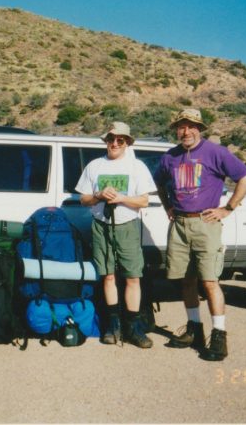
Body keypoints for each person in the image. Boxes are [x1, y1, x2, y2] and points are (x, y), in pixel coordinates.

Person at [155, 108, 246, 361]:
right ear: (176, 130)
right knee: (186, 281)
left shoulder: (215, 152)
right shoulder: (170, 156)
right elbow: (159, 182)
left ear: (200, 129)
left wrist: (227, 208)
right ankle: (194, 330)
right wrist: (167, 205)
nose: (186, 131)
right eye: (181, 126)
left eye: (191, 126)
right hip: (179, 224)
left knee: (209, 281)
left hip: (206, 224)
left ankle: (219, 336)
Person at [76, 122, 157, 348]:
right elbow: (83, 199)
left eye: (120, 140)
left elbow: (144, 201)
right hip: (101, 225)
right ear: (106, 141)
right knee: (108, 276)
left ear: (127, 142)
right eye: (111, 139)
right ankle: (113, 326)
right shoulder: (94, 166)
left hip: (127, 226)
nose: (114, 143)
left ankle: (133, 327)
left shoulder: (137, 166)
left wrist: (121, 198)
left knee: (133, 277)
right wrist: (99, 195)